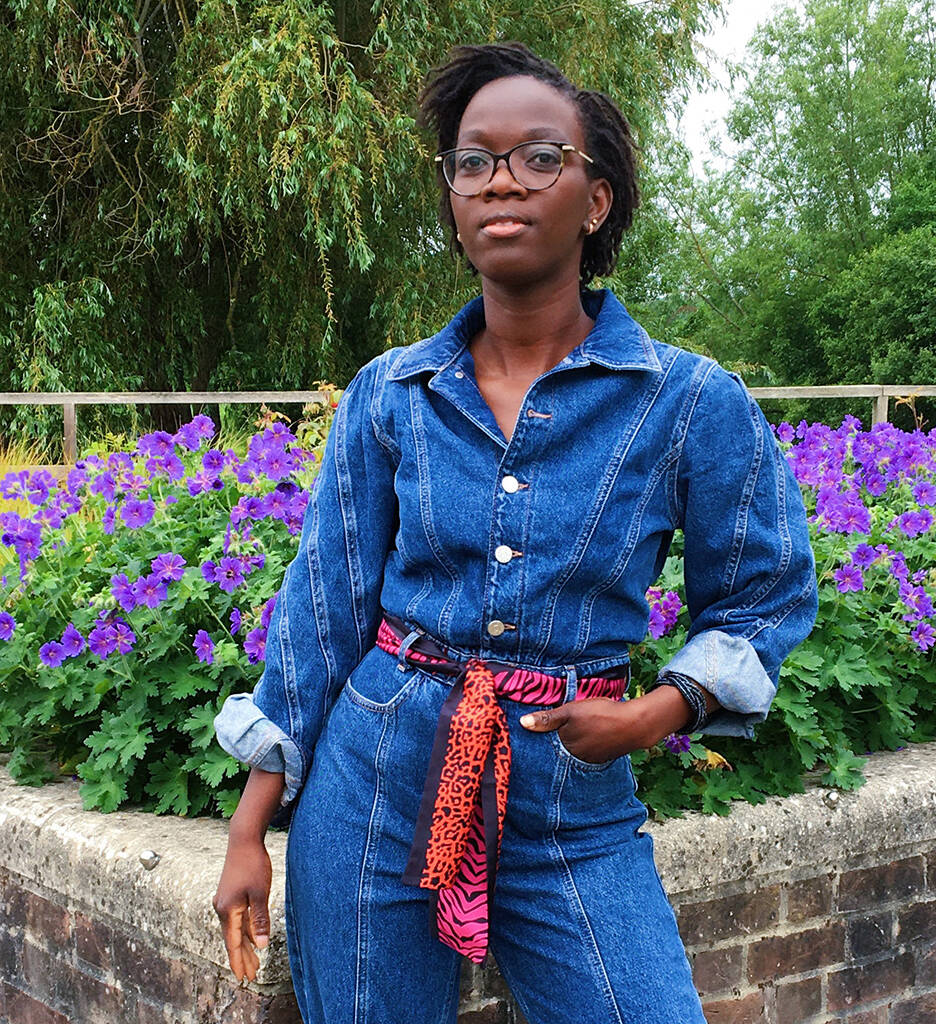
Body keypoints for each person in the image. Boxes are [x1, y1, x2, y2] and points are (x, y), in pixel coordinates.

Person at [212, 42, 818, 1024]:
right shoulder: (391, 394)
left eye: (540, 157)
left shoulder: (688, 403)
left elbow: (765, 593)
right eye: (472, 161)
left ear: (595, 198)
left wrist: (656, 711)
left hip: (569, 800)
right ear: (452, 201)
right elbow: (320, 610)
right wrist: (248, 830)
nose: (501, 181)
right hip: (370, 791)